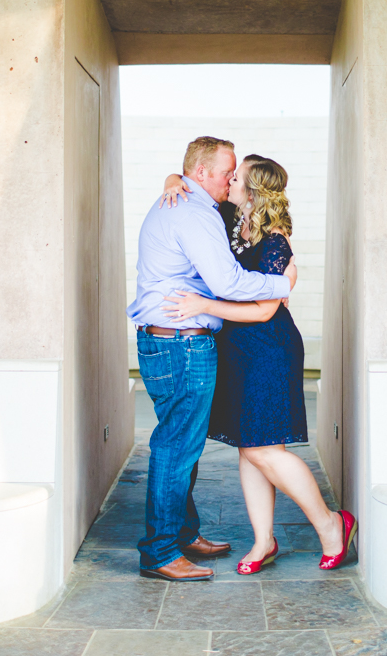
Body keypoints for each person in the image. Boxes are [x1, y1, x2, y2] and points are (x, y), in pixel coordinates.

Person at [160, 155, 357, 575]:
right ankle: (263, 540)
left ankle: (331, 525)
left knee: (263, 449)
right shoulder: (233, 216)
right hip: (237, 351)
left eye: (236, 176)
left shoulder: (274, 241)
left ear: (251, 189)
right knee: (249, 451)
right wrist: (172, 179)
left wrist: (203, 304)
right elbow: (187, 179)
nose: (228, 180)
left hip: (268, 350)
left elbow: (265, 311)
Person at [127, 136, 296, 582]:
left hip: (172, 341)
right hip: (180, 343)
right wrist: (283, 285)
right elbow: (229, 282)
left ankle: (183, 534)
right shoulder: (194, 212)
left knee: (182, 444)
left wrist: (172, 178)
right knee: (176, 447)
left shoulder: (191, 203)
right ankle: (161, 552)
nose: (230, 179)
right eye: (227, 172)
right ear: (202, 175)